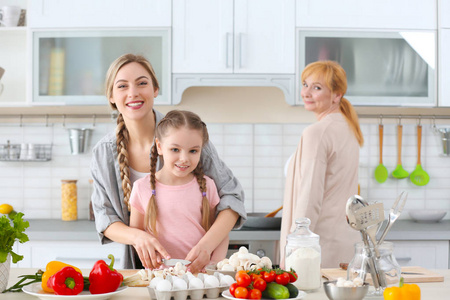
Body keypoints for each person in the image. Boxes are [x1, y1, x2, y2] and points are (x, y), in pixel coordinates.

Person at [91, 54, 246, 272]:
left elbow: (233, 198)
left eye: (142, 83)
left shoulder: (186, 135)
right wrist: (138, 237)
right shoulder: (103, 153)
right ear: (111, 96)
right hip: (146, 269)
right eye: (122, 86)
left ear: (155, 89)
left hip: (200, 270)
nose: (133, 92)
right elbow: (105, 218)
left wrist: (206, 247)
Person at [279, 60, 364, 268]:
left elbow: (310, 196)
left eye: (317, 87)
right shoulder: (348, 128)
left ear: (337, 95)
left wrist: (296, 247)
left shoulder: (316, 133)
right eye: (305, 84)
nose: (306, 92)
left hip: (316, 248)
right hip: (343, 241)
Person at [129, 110, 228, 266]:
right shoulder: (142, 188)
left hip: (200, 276)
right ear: (159, 147)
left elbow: (220, 233)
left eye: (193, 151)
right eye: (175, 149)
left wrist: (214, 264)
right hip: (160, 278)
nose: (184, 159)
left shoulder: (207, 186)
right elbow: (136, 236)